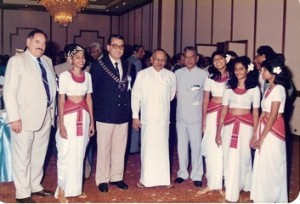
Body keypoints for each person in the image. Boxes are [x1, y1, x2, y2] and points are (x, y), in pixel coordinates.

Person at [3, 29, 57, 203]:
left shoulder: (47, 61)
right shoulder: (17, 61)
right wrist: (14, 118)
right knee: (22, 157)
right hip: (24, 118)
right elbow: (9, 92)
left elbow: (50, 88)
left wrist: (52, 114)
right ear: (28, 42)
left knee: (39, 155)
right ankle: (23, 193)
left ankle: (35, 185)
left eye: (43, 43)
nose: (41, 46)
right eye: (37, 42)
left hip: (45, 117)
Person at [90, 34, 131, 193]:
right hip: (104, 113)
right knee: (104, 148)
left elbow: (129, 89)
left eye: (121, 46)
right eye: (115, 46)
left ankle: (117, 177)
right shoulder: (98, 66)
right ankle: (102, 179)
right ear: (108, 47)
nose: (118, 49)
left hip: (122, 114)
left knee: (120, 148)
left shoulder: (128, 65)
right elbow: (92, 92)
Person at [215, 56, 260, 202]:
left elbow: (255, 112)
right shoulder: (229, 87)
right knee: (229, 158)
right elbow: (223, 110)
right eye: (236, 69)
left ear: (248, 70)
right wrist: (218, 131)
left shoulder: (254, 89)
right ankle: (232, 188)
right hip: (229, 126)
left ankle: (236, 191)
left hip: (246, 128)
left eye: (241, 69)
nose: (238, 72)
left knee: (242, 158)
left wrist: (255, 133)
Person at [54, 44, 95, 203]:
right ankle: (62, 190)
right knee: (66, 153)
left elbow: (89, 99)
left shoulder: (88, 76)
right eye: (77, 57)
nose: (81, 60)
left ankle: (76, 189)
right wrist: (61, 124)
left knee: (79, 153)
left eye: (83, 57)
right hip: (69, 118)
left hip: (83, 117)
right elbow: (61, 100)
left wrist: (92, 122)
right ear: (70, 59)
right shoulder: (64, 76)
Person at [131, 48, 176, 188]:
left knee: (163, 149)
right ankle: (146, 180)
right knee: (147, 150)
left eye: (163, 60)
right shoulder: (142, 75)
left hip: (163, 119)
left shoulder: (170, 76)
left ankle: (164, 180)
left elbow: (172, 95)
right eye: (157, 59)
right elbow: (135, 96)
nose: (159, 62)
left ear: (166, 61)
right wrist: (135, 116)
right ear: (151, 60)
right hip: (147, 119)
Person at [250, 56, 289, 203]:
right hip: (264, 127)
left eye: (264, 69)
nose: (262, 72)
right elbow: (263, 113)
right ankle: (262, 196)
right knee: (262, 163)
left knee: (272, 165)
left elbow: (272, 116)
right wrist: (255, 134)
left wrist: (262, 138)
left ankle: (273, 197)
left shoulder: (279, 89)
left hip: (273, 131)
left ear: (273, 72)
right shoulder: (268, 88)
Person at [197, 50, 231, 196]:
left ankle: (223, 183)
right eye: (215, 59)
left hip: (227, 115)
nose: (218, 61)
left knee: (224, 147)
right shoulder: (210, 78)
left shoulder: (233, 77)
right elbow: (205, 101)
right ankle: (212, 183)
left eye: (220, 58)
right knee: (212, 149)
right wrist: (204, 121)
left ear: (226, 59)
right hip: (212, 115)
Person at [174, 46, 208, 187]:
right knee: (181, 146)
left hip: (196, 117)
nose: (188, 60)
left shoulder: (203, 74)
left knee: (196, 147)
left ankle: (196, 174)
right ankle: (182, 172)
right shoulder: (177, 73)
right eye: (186, 57)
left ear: (197, 58)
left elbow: (206, 97)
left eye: (191, 57)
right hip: (181, 115)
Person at [127, 44, 145, 153]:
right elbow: (139, 81)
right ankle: (134, 147)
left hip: (127, 94)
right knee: (136, 118)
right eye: (141, 51)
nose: (143, 54)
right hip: (136, 94)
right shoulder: (137, 62)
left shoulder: (127, 60)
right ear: (135, 51)